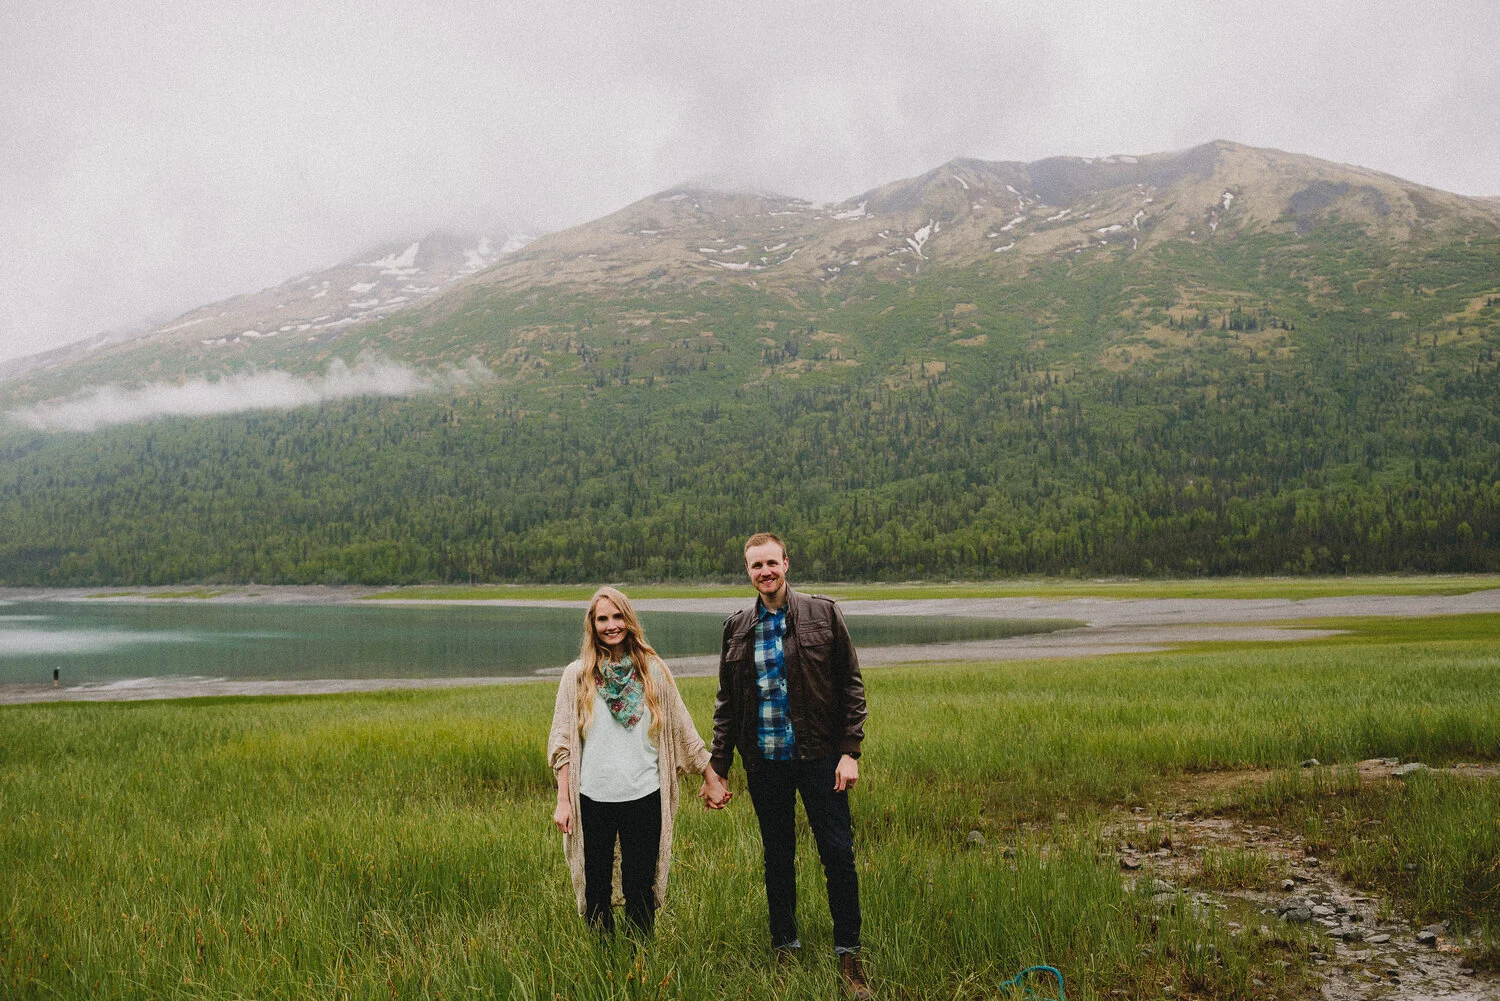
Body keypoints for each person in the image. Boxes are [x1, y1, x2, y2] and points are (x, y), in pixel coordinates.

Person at [709, 533, 872, 999]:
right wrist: (719, 765)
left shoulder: (824, 614)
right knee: (777, 858)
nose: (765, 572)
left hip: (822, 758)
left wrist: (850, 751)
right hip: (765, 762)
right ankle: (786, 948)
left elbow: (851, 686)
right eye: (755, 566)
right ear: (748, 572)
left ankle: (850, 957)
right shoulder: (736, 627)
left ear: (786, 563)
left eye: (771, 563)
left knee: (838, 854)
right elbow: (727, 703)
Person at [547, 586, 731, 936]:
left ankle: (640, 961)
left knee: (639, 888)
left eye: (617, 617)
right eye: (603, 618)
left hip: (645, 796)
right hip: (592, 799)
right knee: (596, 888)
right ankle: (605, 963)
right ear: (592, 624)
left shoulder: (653, 671)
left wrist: (710, 777)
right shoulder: (577, 675)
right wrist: (563, 800)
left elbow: (682, 728)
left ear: (629, 621)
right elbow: (563, 743)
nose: (611, 625)